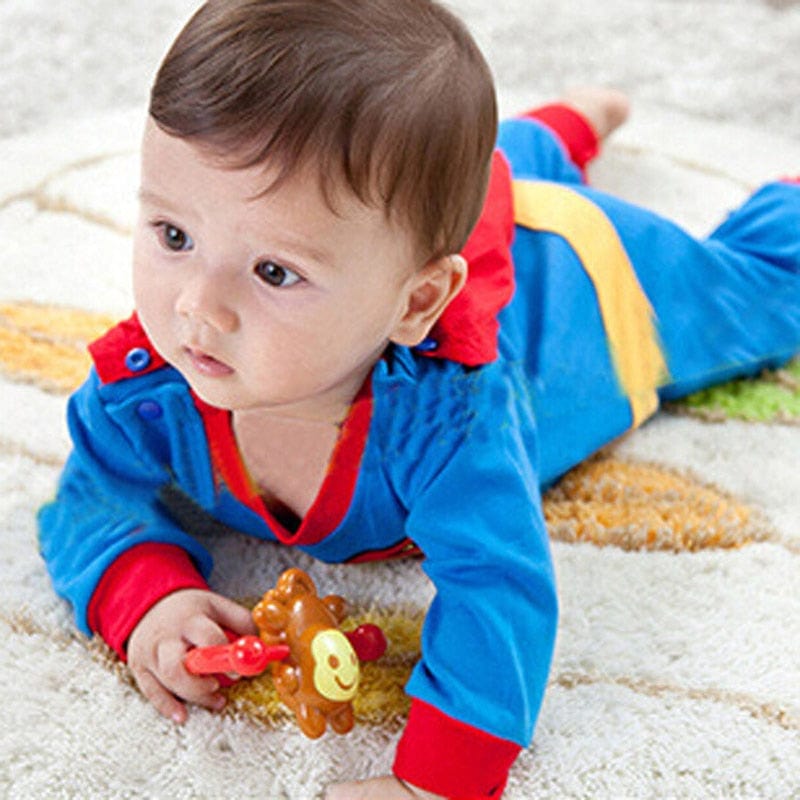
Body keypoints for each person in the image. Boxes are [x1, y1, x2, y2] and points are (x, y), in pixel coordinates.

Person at [37, 0, 800, 798]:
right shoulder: (147, 385)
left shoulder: (449, 421)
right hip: (421, 245)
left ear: (416, 304)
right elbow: (91, 500)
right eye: (173, 235)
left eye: (272, 272)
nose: (197, 306)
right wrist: (146, 597)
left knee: (759, 300)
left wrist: (435, 780)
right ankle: (558, 127)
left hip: (574, 294)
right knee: (453, 177)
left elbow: (499, 588)